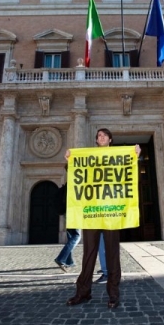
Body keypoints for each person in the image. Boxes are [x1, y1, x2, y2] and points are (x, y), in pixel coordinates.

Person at [65, 128, 141, 309]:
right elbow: (76, 175)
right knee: (88, 254)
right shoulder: (88, 156)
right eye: (98, 135)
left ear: (110, 139)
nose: (101, 137)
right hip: (91, 213)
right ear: (96, 140)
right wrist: (69, 161)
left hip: (111, 214)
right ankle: (83, 292)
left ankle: (113, 294)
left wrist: (135, 157)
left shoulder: (117, 156)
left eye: (104, 135)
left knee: (112, 253)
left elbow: (129, 176)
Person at [54, 180, 81, 272]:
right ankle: (61, 259)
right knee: (77, 236)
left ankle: (69, 261)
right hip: (73, 211)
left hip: (67, 212)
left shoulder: (67, 184)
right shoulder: (75, 183)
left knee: (71, 236)